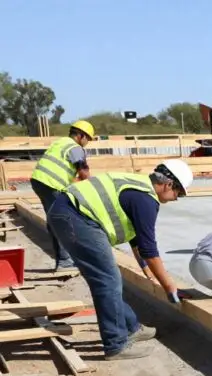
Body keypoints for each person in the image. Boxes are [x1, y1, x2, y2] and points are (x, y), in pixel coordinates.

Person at [45, 160, 194, 360]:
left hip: (67, 212)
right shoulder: (146, 199)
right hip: (76, 217)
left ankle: (131, 327)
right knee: (108, 280)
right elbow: (149, 248)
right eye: (179, 193)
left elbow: (135, 236)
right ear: (168, 184)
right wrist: (169, 286)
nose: (177, 198)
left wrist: (145, 268)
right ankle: (115, 344)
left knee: (106, 278)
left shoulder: (137, 185)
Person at [29, 120, 96, 270]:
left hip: (39, 181)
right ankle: (65, 261)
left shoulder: (60, 142)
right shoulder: (75, 148)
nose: (87, 143)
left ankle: (64, 259)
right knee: (61, 221)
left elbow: (68, 173)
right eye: (88, 139)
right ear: (80, 135)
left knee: (54, 220)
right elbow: (84, 172)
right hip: (51, 185)